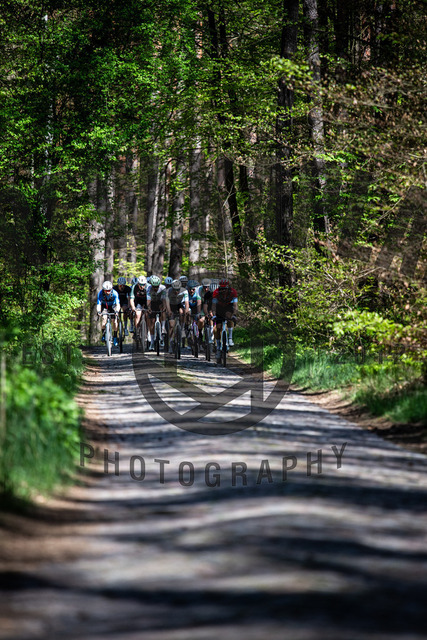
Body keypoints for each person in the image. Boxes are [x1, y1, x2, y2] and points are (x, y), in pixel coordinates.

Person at [212, 278, 238, 363]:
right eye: (221, 289)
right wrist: (214, 315)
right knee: (218, 327)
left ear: (228, 288)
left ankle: (230, 338)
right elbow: (213, 305)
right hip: (219, 307)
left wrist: (234, 315)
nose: (223, 291)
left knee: (229, 317)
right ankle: (218, 347)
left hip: (228, 307)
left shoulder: (233, 292)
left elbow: (235, 305)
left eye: (224, 289)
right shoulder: (216, 292)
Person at [164, 279, 189, 353]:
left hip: (179, 304)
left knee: (182, 312)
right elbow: (167, 303)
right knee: (171, 325)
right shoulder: (168, 291)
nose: (176, 292)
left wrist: (187, 310)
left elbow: (186, 303)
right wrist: (169, 311)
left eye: (178, 290)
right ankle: (171, 341)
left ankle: (182, 328)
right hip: (171, 305)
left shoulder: (184, 291)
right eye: (175, 290)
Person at [97, 281, 121, 346]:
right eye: (106, 290)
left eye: (109, 290)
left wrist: (117, 311)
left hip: (113, 306)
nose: (107, 292)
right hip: (104, 306)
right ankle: (103, 335)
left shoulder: (115, 293)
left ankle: (115, 336)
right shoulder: (100, 293)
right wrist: (99, 311)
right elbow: (98, 304)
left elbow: (118, 304)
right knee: (104, 319)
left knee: (114, 321)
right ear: (103, 290)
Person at [146, 275, 166, 350]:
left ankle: (163, 328)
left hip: (160, 302)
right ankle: (152, 343)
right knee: (152, 322)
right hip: (152, 303)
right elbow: (148, 300)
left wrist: (164, 307)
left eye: (157, 286)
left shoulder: (163, 288)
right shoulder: (148, 288)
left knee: (163, 310)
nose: (155, 288)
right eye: (154, 287)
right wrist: (149, 308)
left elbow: (164, 300)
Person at [197, 278, 214, 347]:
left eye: (207, 287)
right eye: (204, 287)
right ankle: (200, 334)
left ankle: (213, 337)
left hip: (210, 305)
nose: (206, 289)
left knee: (211, 319)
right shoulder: (199, 290)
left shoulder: (212, 290)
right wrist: (199, 313)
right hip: (201, 305)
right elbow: (199, 302)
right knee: (201, 320)